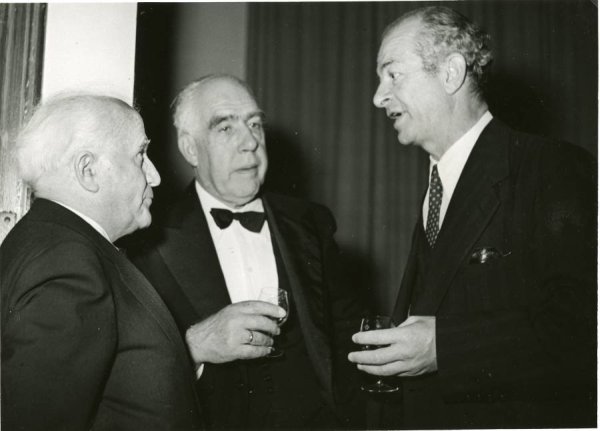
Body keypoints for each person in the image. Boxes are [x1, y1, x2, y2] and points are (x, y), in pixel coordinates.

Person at [348, 6, 596, 429]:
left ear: (451, 73)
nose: (378, 96)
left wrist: (445, 349)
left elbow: (583, 329)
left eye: (392, 74)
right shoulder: (436, 186)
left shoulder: (551, 168)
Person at [129, 74, 366, 429]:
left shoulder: (311, 223)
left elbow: (348, 335)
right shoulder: (145, 237)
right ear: (191, 148)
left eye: (255, 124)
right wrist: (191, 345)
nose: (250, 143)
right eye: (225, 128)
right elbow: (121, 365)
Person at [1, 94, 203, 431]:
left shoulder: (52, 242)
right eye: (140, 155)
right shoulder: (70, 263)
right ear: (88, 170)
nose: (154, 176)